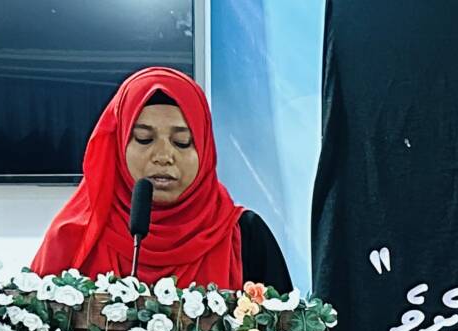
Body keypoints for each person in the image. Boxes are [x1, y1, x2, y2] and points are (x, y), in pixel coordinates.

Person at [31, 67, 291, 292]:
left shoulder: (246, 237)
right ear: (118, 146)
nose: (164, 156)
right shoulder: (73, 238)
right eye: (144, 139)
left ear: (205, 150)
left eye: (182, 142)